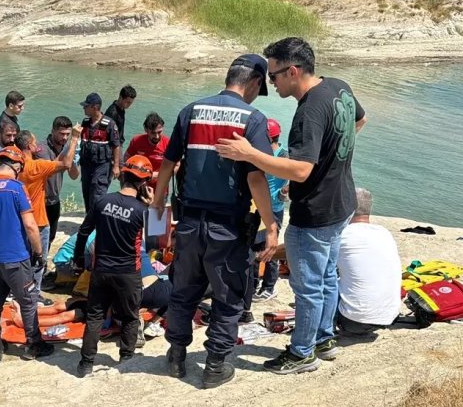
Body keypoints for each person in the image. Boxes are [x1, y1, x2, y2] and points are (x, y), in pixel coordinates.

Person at [216, 37, 367, 375]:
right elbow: (360, 121)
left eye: (274, 76)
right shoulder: (338, 87)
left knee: (308, 286)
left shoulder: (308, 112)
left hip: (315, 211)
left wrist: (250, 154)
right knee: (327, 276)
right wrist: (332, 160)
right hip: (342, 201)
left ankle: (302, 354)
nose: (271, 82)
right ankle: (324, 339)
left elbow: (301, 170)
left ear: (293, 71)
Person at [150, 54, 279, 389]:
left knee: (183, 291)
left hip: (189, 223)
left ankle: (176, 357)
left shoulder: (190, 111)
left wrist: (159, 202)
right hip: (228, 228)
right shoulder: (253, 119)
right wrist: (272, 225)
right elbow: (255, 179)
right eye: (258, 88)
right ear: (252, 82)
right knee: (228, 296)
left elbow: (168, 163)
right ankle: (215, 366)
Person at [0, 146, 55, 362]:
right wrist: (39, 252)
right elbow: (31, 225)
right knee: (28, 300)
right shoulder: (17, 189)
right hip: (16, 258)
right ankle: (33, 345)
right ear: (17, 165)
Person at [71, 155, 154, 378]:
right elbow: (157, 240)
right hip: (128, 272)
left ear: (123, 176)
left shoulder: (102, 201)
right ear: (143, 183)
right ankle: (126, 357)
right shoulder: (141, 210)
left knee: (95, 316)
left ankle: (86, 363)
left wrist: (79, 258)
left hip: (101, 270)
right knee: (129, 315)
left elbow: (84, 231)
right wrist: (150, 205)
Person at [14, 129, 79, 292]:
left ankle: (16, 291)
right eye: (34, 142)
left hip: (20, 221)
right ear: (29, 146)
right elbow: (65, 164)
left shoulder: (15, 167)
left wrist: (64, 149)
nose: (37, 144)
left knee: (22, 259)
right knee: (38, 261)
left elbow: (54, 163)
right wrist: (75, 139)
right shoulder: (36, 166)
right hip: (39, 222)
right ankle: (34, 294)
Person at [336, 188, 400, 338]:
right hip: (388, 316)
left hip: (353, 320)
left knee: (319, 280)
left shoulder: (344, 234)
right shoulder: (384, 232)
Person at [250, 118, 290, 304]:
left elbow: (292, 179)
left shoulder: (283, 155)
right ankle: (254, 282)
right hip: (257, 206)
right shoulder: (262, 153)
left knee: (270, 248)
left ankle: (268, 287)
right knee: (255, 246)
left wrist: (284, 191)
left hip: (274, 208)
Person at [36, 117, 81, 250]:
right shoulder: (41, 149)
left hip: (54, 200)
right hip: (40, 200)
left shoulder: (67, 147)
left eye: (68, 134)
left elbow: (74, 175)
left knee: (50, 237)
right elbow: (50, 170)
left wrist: (71, 153)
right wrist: (69, 145)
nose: (65, 137)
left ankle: (42, 267)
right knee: (37, 238)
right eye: (62, 134)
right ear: (53, 131)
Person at [78, 92, 122, 212]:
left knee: (97, 196)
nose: (84, 108)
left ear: (95, 107)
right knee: (86, 194)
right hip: (86, 167)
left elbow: (116, 146)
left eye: (86, 106)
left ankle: (97, 223)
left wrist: (116, 166)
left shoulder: (110, 125)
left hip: (101, 167)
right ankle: (90, 221)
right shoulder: (85, 123)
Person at [125, 112, 176, 192]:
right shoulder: (136, 141)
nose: (157, 136)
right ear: (146, 130)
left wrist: (158, 175)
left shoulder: (168, 144)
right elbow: (126, 160)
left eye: (159, 132)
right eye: (153, 133)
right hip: (138, 188)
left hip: (160, 190)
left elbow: (176, 165)